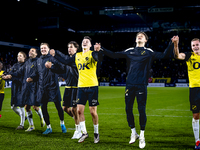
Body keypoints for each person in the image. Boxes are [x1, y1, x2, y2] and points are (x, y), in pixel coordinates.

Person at [94, 32, 175, 149]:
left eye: (142, 35)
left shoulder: (148, 52)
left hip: (141, 85)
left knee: (141, 110)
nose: (139, 36)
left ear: (146, 40)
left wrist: (171, 44)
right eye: (138, 35)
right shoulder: (130, 51)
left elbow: (164, 55)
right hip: (129, 84)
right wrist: (101, 48)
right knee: (128, 109)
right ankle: (133, 132)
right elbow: (114, 55)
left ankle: (142, 135)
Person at [48, 36, 102, 143]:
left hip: (92, 86)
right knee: (78, 111)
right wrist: (55, 54)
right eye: (83, 41)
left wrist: (97, 51)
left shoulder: (92, 54)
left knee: (92, 112)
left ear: (90, 45)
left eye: (87, 42)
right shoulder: (77, 56)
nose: (84, 42)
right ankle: (84, 133)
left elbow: (97, 59)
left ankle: (96, 133)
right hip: (81, 86)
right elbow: (65, 60)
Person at [26, 43, 66, 134]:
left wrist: (52, 66)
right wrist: (31, 78)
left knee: (58, 107)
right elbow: (36, 73)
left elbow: (62, 68)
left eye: (45, 48)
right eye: (41, 48)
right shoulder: (38, 60)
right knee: (44, 108)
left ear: (48, 49)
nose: (43, 49)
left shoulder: (52, 58)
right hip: (42, 88)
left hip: (53, 87)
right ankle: (48, 127)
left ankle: (62, 123)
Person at [46, 41, 81, 139]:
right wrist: (51, 67)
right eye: (68, 47)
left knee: (74, 108)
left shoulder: (77, 58)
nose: (69, 48)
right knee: (65, 108)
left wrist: (55, 54)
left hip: (76, 86)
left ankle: (78, 130)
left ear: (76, 49)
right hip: (68, 86)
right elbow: (61, 70)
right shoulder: (68, 59)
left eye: (71, 47)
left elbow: (64, 60)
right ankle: (78, 121)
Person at [4, 48, 45, 132]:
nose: (30, 51)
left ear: (36, 54)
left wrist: (33, 78)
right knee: (27, 107)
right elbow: (19, 72)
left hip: (35, 87)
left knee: (35, 107)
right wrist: (10, 76)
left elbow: (40, 73)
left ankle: (42, 117)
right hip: (27, 87)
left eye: (32, 51)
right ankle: (31, 125)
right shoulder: (27, 63)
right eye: (30, 51)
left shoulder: (39, 62)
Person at [173, 37, 200, 149]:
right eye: (193, 45)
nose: (195, 47)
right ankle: (197, 141)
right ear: (191, 47)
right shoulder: (190, 56)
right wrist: (176, 44)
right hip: (194, 89)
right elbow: (178, 55)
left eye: (197, 44)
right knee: (196, 115)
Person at [3, 51, 26, 129]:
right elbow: (11, 72)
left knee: (21, 106)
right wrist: (5, 76)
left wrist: (10, 76)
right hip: (14, 87)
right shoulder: (15, 65)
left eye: (20, 56)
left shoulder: (25, 65)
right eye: (17, 56)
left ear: (24, 57)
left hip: (22, 87)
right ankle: (24, 117)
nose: (18, 57)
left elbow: (19, 75)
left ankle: (21, 124)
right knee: (13, 106)